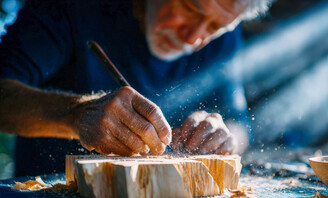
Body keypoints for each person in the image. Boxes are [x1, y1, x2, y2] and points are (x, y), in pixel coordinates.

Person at [0, 0, 272, 176]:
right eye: (190, 9)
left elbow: (238, 122)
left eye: (217, 27)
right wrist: (75, 115)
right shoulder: (71, 8)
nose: (194, 38)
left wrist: (223, 136)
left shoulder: (222, 40)